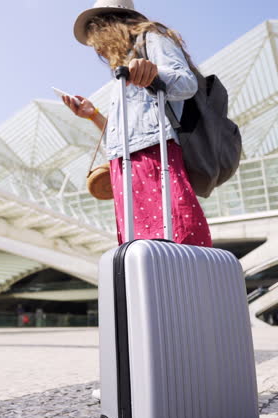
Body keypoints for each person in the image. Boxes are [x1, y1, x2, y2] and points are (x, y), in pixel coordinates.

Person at [64, 0, 211, 247]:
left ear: (108, 24)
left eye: (94, 34)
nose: (96, 47)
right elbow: (128, 132)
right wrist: (93, 114)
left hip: (155, 153)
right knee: (140, 242)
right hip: (125, 162)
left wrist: (153, 74)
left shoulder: (151, 37)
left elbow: (187, 83)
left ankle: (193, 281)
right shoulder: (123, 67)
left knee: (178, 230)